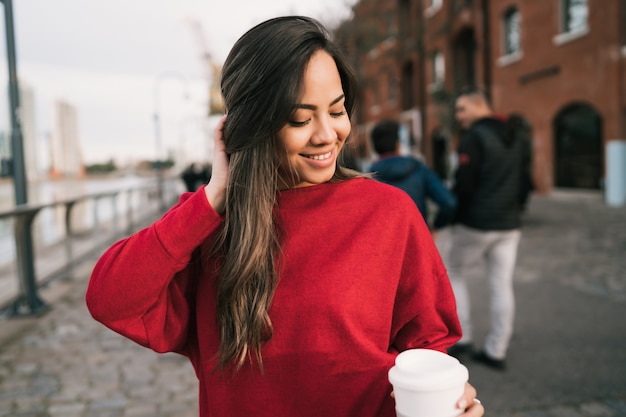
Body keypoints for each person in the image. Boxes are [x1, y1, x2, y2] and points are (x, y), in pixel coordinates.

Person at [86, 16, 484, 417]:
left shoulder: (388, 212)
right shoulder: (208, 225)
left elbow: (429, 341)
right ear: (255, 125)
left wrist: (450, 395)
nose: (327, 134)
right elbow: (111, 299)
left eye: (337, 110)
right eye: (300, 119)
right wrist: (215, 196)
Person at [446, 86, 526, 371]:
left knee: (453, 270)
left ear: (479, 105)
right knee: (501, 284)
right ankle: (496, 349)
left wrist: (452, 215)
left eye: (462, 109)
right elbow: (524, 180)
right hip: (509, 224)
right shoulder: (514, 134)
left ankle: (463, 338)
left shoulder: (475, 137)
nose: (459, 116)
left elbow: (464, 185)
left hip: (477, 222)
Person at [369, 119, 457, 234]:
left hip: (385, 242)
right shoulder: (419, 170)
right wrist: (435, 227)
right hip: (418, 237)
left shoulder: (368, 178)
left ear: (375, 147)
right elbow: (449, 203)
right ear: (398, 144)